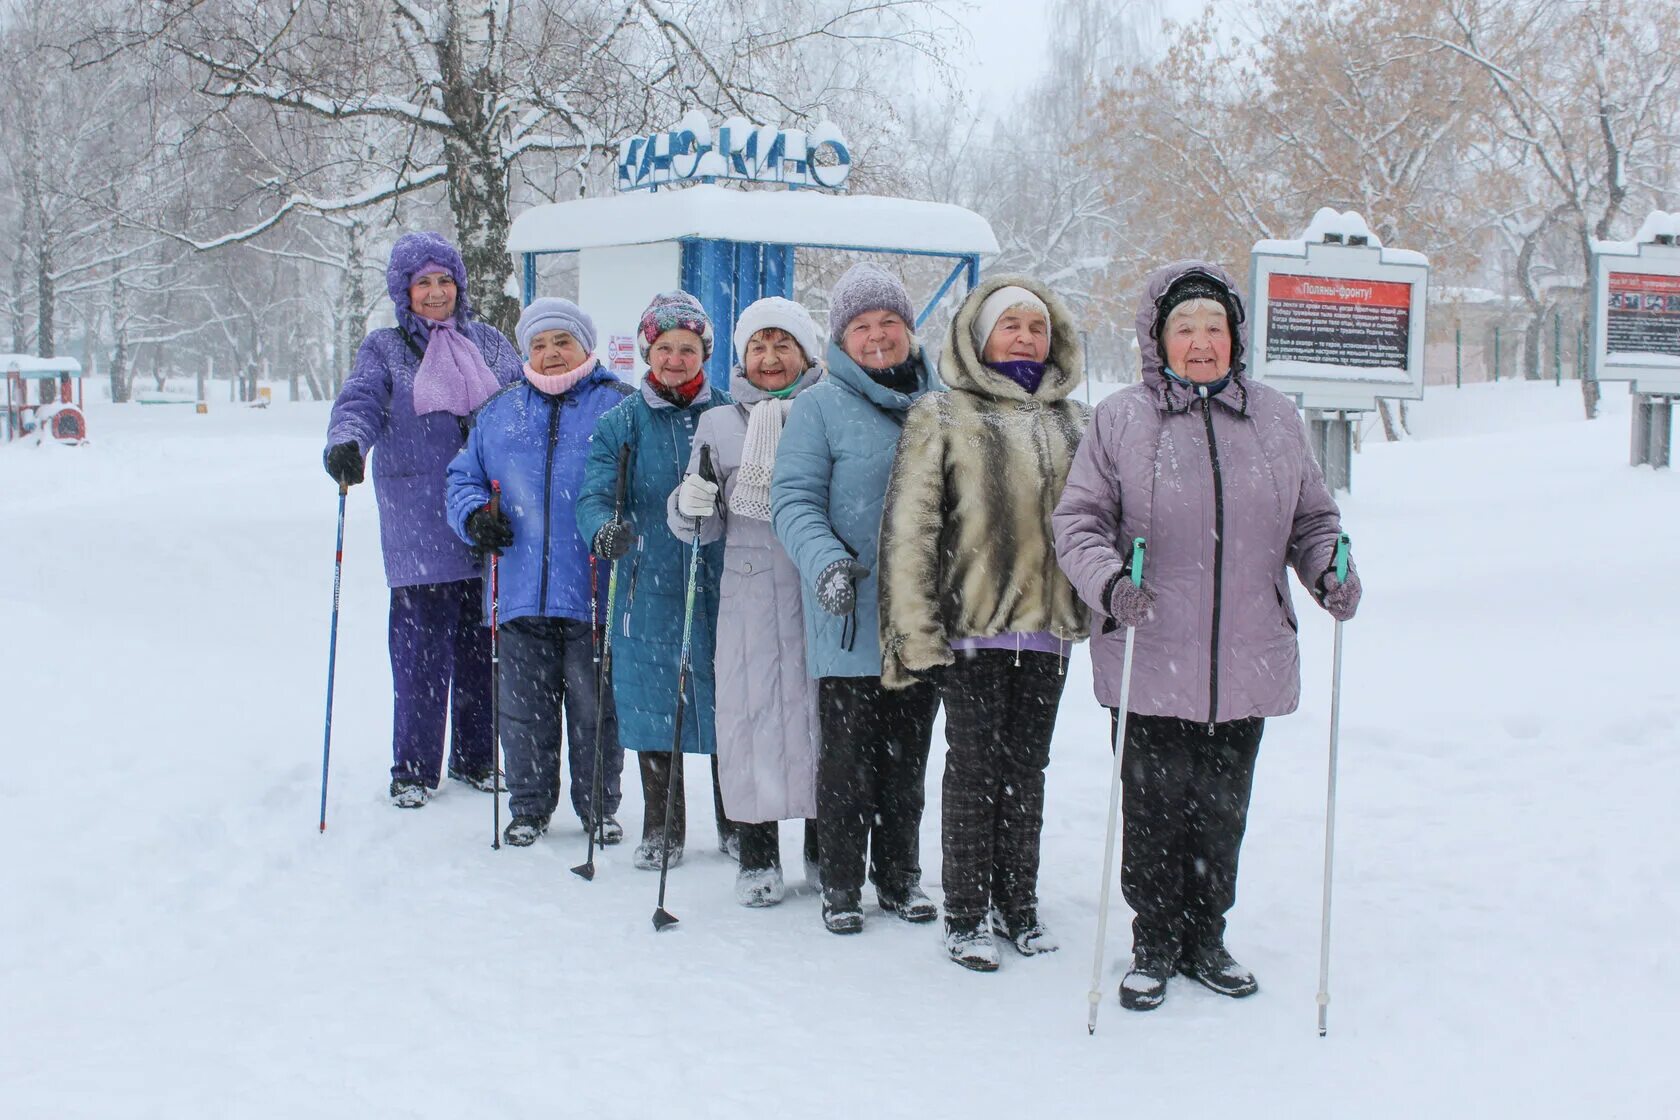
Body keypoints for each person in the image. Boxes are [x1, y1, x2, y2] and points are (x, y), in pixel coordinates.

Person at [1052, 261, 1362, 1011]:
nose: (1200, 343)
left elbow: (1312, 520)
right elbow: (1079, 522)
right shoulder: (1121, 419)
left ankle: (1206, 936)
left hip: (1247, 657)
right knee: (1154, 808)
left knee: (1223, 810)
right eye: (1184, 327)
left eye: (1214, 328)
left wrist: (1327, 573)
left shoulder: (1277, 419)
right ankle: (1154, 942)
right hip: (1148, 652)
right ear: (1157, 338)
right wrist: (1109, 584)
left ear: (1236, 338)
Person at [878, 276, 1090, 971]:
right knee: (973, 770)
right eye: (1011, 325)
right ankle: (966, 912)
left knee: (1027, 769)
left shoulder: (1074, 422)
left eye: (1036, 326)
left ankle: (1016, 903)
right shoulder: (941, 414)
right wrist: (915, 627)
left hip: (1048, 629)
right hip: (970, 629)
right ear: (979, 336)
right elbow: (911, 528)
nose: (1025, 336)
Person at [771, 263, 942, 934]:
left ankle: (899, 878)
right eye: (862, 326)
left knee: (908, 761)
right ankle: (841, 884)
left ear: (909, 330)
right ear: (842, 338)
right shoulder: (818, 405)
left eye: (889, 323)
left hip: (922, 619)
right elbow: (793, 501)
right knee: (846, 761)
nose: (877, 337)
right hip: (849, 614)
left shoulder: (940, 404)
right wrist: (828, 563)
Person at [323, 231, 521, 808]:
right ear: (403, 291)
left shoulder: (486, 341)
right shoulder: (385, 348)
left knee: (483, 647)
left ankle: (477, 758)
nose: (436, 293)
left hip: (487, 516)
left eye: (445, 280)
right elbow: (359, 401)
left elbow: (520, 398)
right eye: (423, 283)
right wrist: (347, 444)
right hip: (419, 519)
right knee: (420, 654)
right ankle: (412, 767)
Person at [444, 298, 632, 846]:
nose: (551, 354)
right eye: (539, 344)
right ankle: (529, 806)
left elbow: (640, 484)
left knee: (596, 712)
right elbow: (463, 479)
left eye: (562, 342)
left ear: (585, 345)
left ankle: (599, 807)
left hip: (592, 590)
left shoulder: (617, 406)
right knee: (523, 713)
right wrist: (475, 516)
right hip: (519, 589)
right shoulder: (499, 411)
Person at [667, 298, 824, 907]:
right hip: (749, 594)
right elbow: (697, 527)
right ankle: (757, 856)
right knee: (750, 725)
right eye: (758, 346)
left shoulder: (827, 412)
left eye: (783, 344)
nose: (769, 357)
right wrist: (692, 502)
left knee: (820, 725)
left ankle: (823, 848)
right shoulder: (718, 423)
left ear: (807, 354)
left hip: (817, 590)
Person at [577, 291, 737, 870]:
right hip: (646, 583)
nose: (675, 359)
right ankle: (662, 827)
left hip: (719, 580)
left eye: (687, 348)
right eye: (664, 347)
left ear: (705, 352)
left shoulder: (725, 414)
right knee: (651, 705)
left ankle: (738, 821)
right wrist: (603, 530)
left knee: (727, 699)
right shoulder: (621, 422)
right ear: (648, 349)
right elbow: (594, 493)